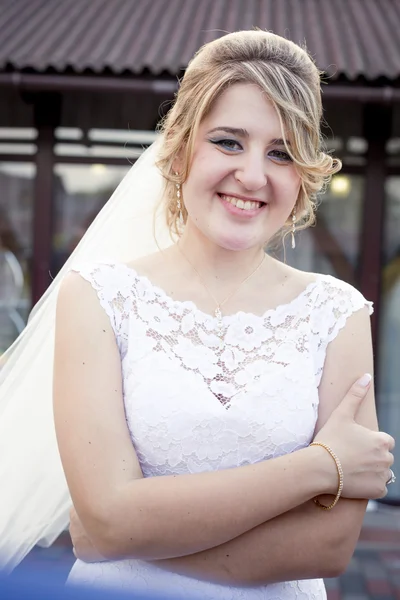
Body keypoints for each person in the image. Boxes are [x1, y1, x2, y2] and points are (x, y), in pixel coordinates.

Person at [0, 30, 395, 600]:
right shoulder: (99, 297)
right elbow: (107, 519)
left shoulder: (336, 313)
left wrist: (135, 531)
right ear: (183, 148)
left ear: (303, 173)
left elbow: (327, 548)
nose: (254, 176)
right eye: (229, 142)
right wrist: (321, 465)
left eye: (280, 152)